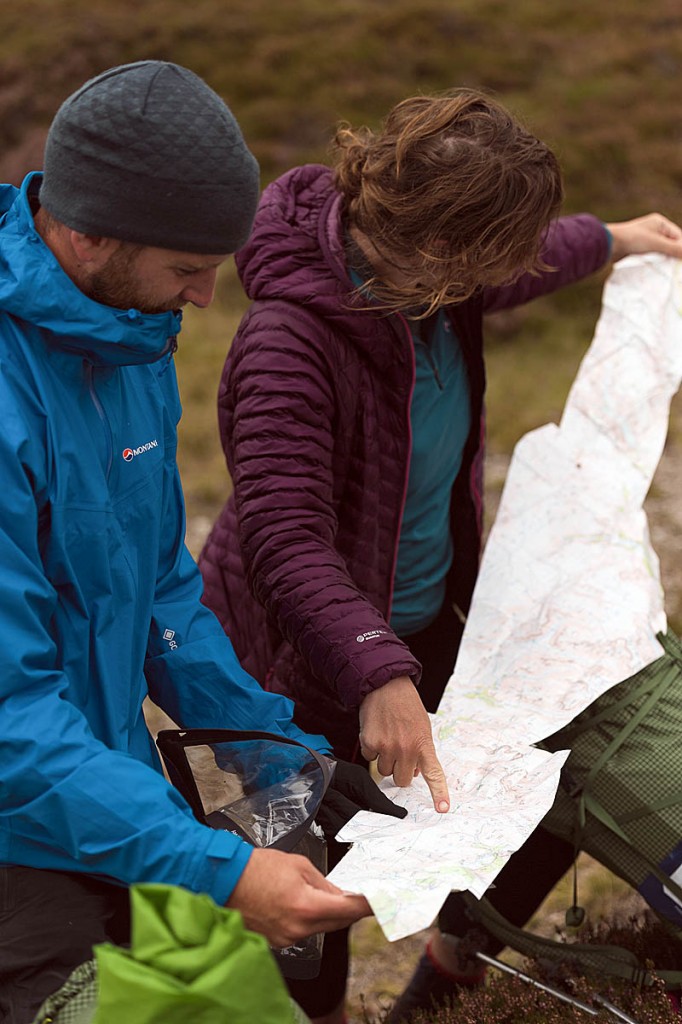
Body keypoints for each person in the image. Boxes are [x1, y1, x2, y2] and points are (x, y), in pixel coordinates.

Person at [198, 88, 682, 1023]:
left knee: (538, 776)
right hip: (285, 666)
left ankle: (451, 966)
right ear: (444, 246)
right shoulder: (287, 343)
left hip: (422, 623)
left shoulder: (432, 286)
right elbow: (282, 537)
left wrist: (617, 237)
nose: (510, 269)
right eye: (497, 249)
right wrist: (378, 674)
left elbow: (530, 267)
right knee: (304, 894)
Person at [0, 60, 408, 1024]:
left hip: (98, 797)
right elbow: (9, 716)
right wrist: (220, 868)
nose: (205, 300)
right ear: (88, 230)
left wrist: (280, 762)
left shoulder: (127, 335)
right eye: (187, 270)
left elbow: (162, 593)